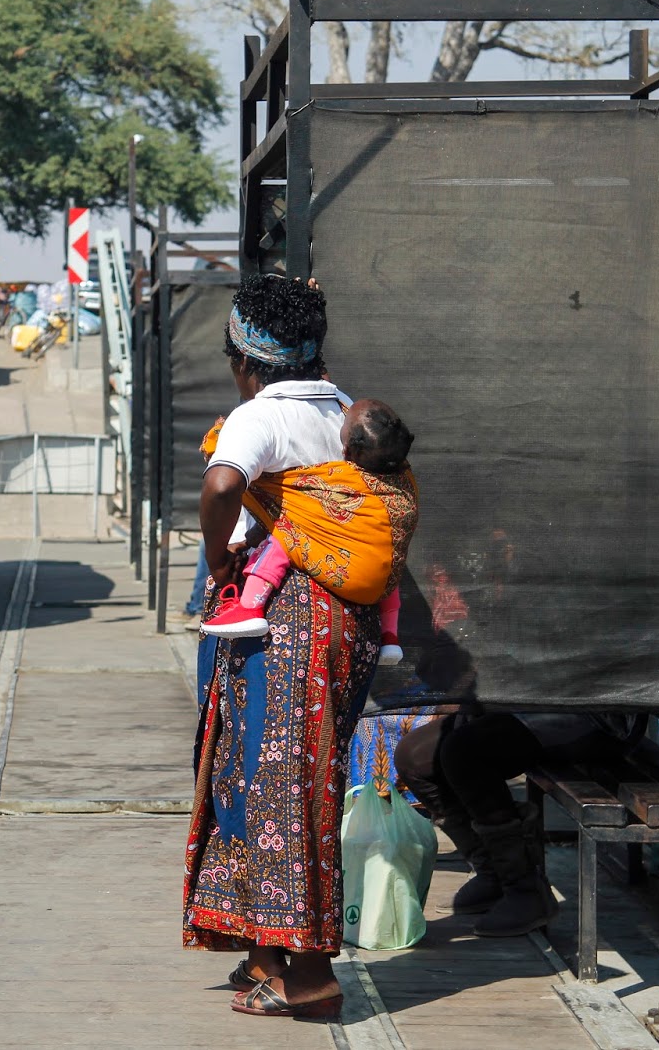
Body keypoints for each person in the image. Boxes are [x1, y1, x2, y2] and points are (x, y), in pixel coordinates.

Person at [183, 274, 408, 1020]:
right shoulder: (347, 413)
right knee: (276, 777)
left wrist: (219, 561)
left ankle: (308, 977)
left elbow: (221, 486)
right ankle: (264, 951)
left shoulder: (261, 416)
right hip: (347, 624)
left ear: (244, 361)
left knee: (281, 787)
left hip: (285, 623)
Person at [200, 398, 413, 666]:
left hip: (323, 596)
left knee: (286, 533)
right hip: (375, 590)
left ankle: (249, 607)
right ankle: (390, 637)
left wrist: (219, 559)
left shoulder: (334, 476)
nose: (341, 416)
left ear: (346, 451)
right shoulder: (401, 483)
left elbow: (225, 487)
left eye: (343, 424)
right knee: (388, 560)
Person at [392, 708, 614, 937]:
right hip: (522, 707)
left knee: (465, 751)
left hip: (593, 714)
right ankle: (492, 871)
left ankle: (525, 889)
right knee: (413, 757)